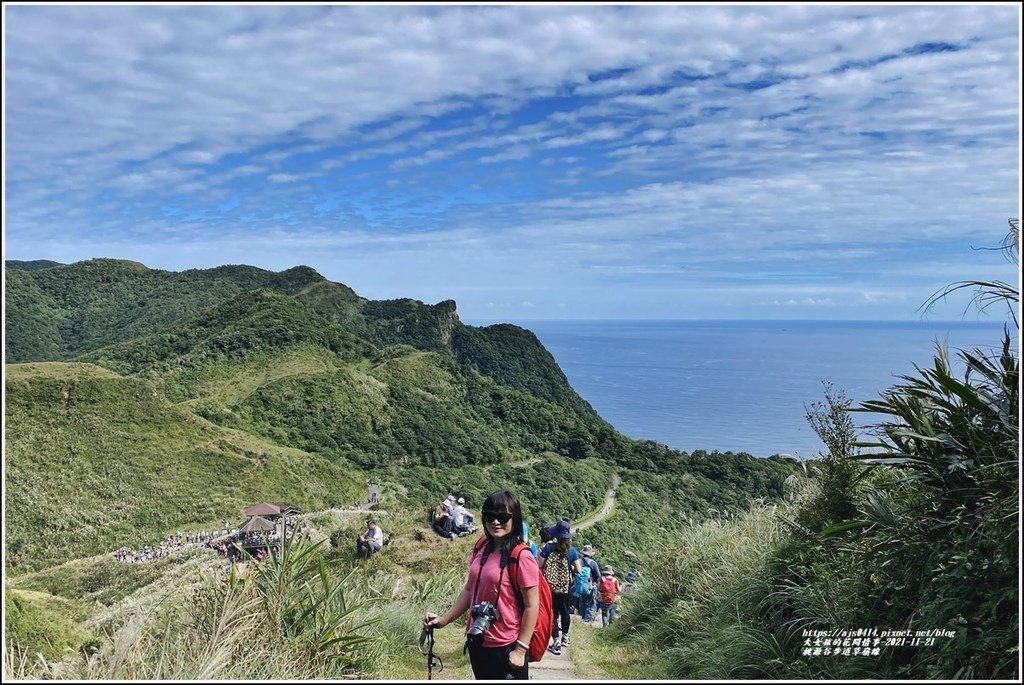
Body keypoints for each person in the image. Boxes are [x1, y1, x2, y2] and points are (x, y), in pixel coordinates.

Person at [424, 490, 540, 680]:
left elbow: (532, 605)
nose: (495, 522)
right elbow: (470, 590)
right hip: (478, 640)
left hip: (506, 644)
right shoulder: (482, 547)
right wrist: (445, 619)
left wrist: (520, 649)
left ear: (515, 519)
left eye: (503, 517)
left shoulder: (521, 556)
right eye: (490, 516)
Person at [539, 520, 581, 654]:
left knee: (553, 613)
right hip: (565, 587)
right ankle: (565, 637)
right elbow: (578, 570)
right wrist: (570, 568)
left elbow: (539, 565)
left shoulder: (548, 548)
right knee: (565, 611)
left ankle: (555, 641)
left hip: (549, 587)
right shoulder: (572, 551)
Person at [577, 545, 601, 623]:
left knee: (582, 603)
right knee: (590, 604)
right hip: (590, 586)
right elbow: (598, 576)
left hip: (580, 586)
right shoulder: (593, 563)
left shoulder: (578, 562)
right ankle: (586, 621)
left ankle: (582, 618)